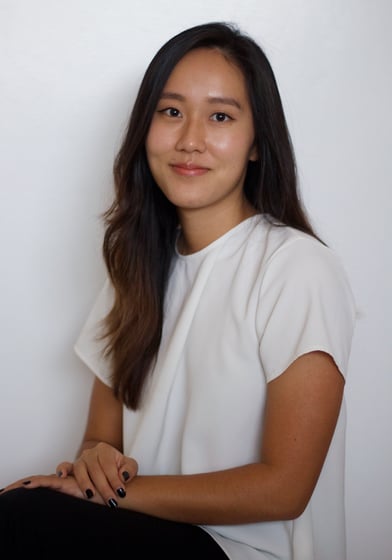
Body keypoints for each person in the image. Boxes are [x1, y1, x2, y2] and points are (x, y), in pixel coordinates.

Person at [0, 21, 356, 560]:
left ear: (258, 142)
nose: (190, 139)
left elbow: (285, 488)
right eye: (170, 112)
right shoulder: (136, 268)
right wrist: (96, 462)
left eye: (220, 116)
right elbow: (101, 441)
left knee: (22, 518)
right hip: (144, 532)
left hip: (240, 551)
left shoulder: (297, 267)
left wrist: (111, 495)